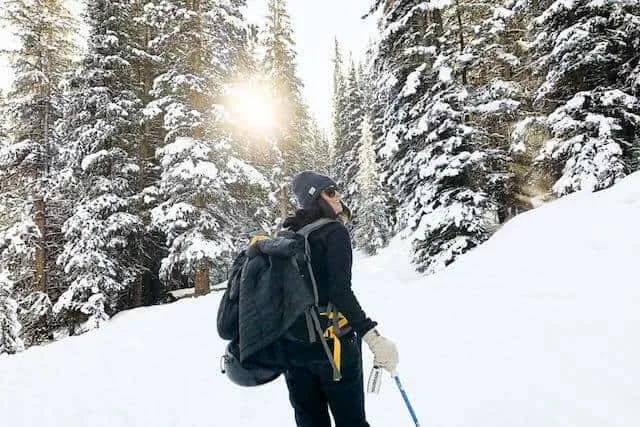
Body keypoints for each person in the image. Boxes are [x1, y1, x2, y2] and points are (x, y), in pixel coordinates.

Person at [281, 170, 399, 427]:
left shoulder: (288, 236)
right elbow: (340, 292)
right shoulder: (334, 232)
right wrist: (372, 337)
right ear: (317, 199)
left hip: (294, 353)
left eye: (337, 190)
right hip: (334, 349)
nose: (338, 197)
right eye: (330, 192)